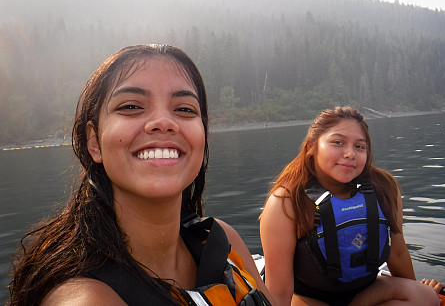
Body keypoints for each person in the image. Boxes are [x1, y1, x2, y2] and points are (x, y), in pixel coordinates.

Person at [8, 44, 272, 306]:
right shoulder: (86, 297)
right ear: (95, 142)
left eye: (185, 109)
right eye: (132, 107)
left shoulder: (223, 242)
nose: (164, 122)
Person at [260, 106, 445, 306]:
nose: (350, 154)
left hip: (364, 292)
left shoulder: (384, 188)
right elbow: (278, 294)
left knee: (426, 297)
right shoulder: (285, 202)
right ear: (312, 147)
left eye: (359, 146)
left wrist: (416, 291)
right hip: (309, 299)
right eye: (338, 142)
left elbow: (397, 253)